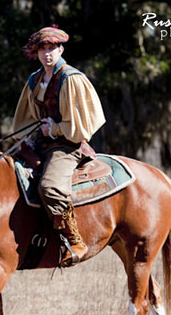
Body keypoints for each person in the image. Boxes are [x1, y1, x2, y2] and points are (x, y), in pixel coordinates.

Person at [12, 26, 106, 267]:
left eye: (52, 48)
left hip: (67, 145)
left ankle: (74, 240)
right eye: (42, 49)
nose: (47, 53)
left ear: (61, 49)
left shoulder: (71, 78)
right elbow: (28, 117)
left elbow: (80, 127)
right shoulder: (34, 80)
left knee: (50, 187)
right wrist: (29, 138)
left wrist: (53, 129)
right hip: (41, 143)